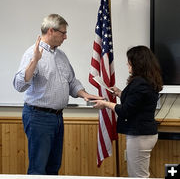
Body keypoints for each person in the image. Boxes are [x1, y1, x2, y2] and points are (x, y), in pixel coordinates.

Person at [13, 14, 102, 175]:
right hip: (38, 117)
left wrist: (84, 94)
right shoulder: (32, 54)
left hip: (57, 117)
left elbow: (71, 81)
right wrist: (35, 61)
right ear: (51, 31)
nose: (65, 37)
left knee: (54, 165)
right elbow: (19, 85)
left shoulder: (61, 56)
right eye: (63, 33)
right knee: (38, 168)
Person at [92, 45, 163, 178]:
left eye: (129, 61)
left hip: (140, 135)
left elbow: (125, 111)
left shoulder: (139, 83)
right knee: (138, 174)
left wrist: (105, 103)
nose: (127, 64)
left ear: (138, 63)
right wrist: (120, 93)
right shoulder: (147, 80)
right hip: (144, 134)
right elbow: (136, 102)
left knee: (137, 175)